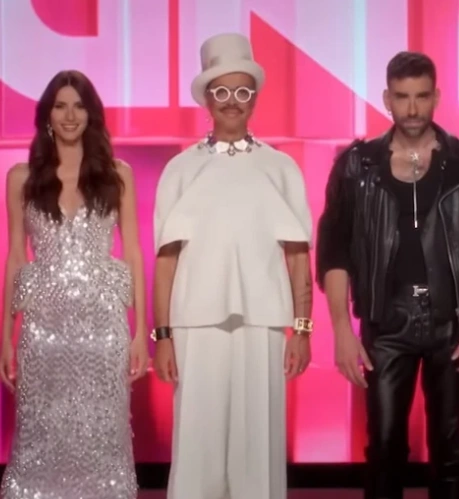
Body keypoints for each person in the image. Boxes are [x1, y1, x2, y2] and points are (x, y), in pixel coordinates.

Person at [316, 51, 459, 499]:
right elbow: (334, 251)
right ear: (387, 98)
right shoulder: (358, 166)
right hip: (387, 323)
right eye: (402, 97)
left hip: (453, 322)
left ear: (436, 96)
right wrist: (342, 329)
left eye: (422, 96)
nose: (413, 108)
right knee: (384, 451)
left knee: (450, 454)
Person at [151, 33, 314, 499]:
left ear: (255, 98)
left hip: (262, 323)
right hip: (194, 324)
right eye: (221, 91)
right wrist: (163, 336)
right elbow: (166, 260)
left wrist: (303, 329)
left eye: (242, 91)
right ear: (207, 98)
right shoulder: (181, 169)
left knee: (257, 446)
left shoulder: (280, 167)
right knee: (197, 443)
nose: (231, 101)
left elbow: (298, 255)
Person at [0, 70, 148, 498]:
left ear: (91, 114)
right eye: (61, 106)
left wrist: (141, 332)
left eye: (79, 106)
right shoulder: (21, 177)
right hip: (42, 331)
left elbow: (133, 253)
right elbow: (15, 257)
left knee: (102, 436)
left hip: (103, 331)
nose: (70, 116)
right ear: (47, 115)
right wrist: (6, 335)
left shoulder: (117, 174)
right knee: (40, 437)